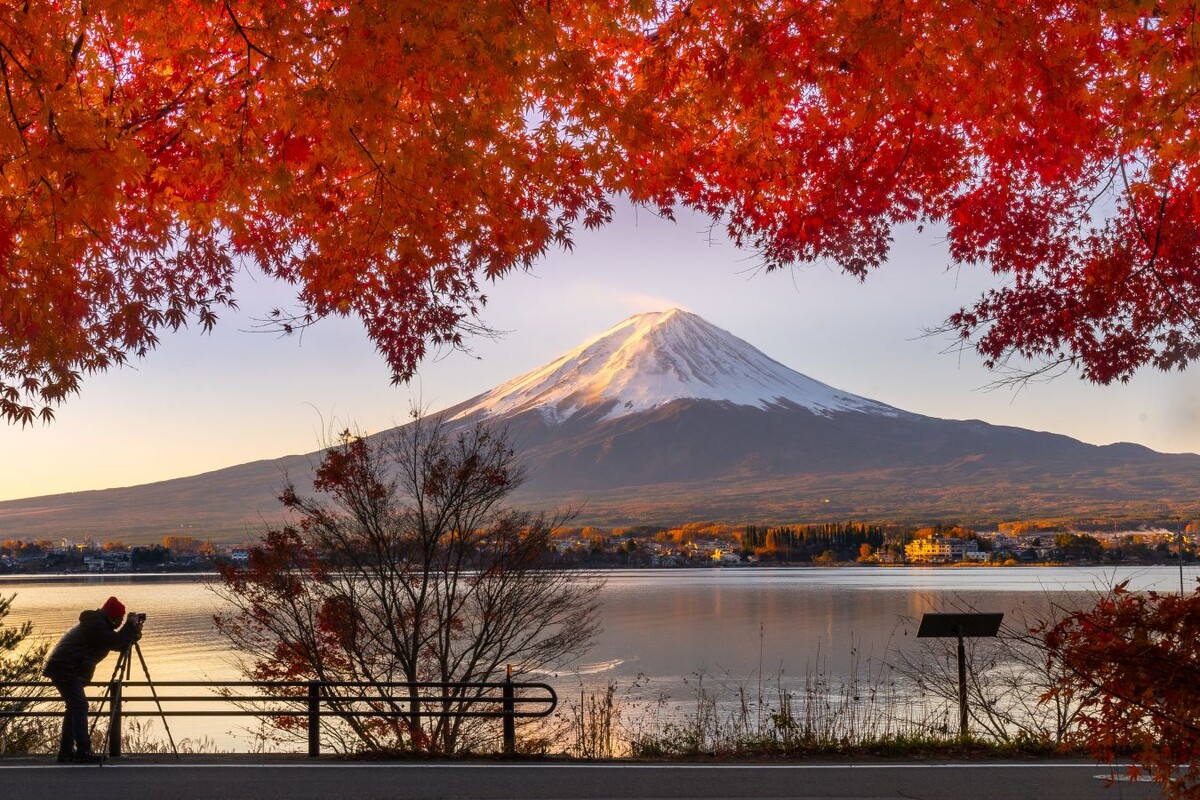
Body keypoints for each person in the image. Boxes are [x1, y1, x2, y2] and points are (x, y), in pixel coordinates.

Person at [42, 596, 143, 763]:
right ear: (113, 616)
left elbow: (118, 643)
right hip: (65, 669)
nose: (121, 621)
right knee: (80, 705)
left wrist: (134, 632)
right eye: (120, 618)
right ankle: (83, 751)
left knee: (74, 707)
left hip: (67, 669)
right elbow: (116, 642)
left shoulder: (100, 624)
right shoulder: (96, 625)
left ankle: (66, 752)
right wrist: (129, 626)